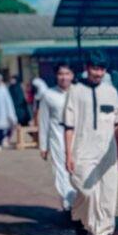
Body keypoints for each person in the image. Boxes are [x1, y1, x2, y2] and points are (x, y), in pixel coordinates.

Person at [64, 55, 118, 235]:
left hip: (107, 151)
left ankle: (104, 232)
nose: (98, 73)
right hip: (82, 150)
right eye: (95, 68)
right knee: (87, 191)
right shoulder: (75, 91)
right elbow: (69, 127)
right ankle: (77, 215)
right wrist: (68, 154)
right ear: (87, 67)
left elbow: (117, 124)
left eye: (101, 69)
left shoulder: (111, 91)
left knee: (108, 192)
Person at [36, 63, 77, 217]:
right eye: (61, 74)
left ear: (72, 75)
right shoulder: (48, 95)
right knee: (62, 172)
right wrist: (43, 146)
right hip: (57, 138)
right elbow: (44, 121)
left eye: (67, 73)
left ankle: (79, 205)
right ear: (56, 76)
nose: (64, 77)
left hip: (77, 139)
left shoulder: (79, 92)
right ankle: (69, 207)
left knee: (77, 173)